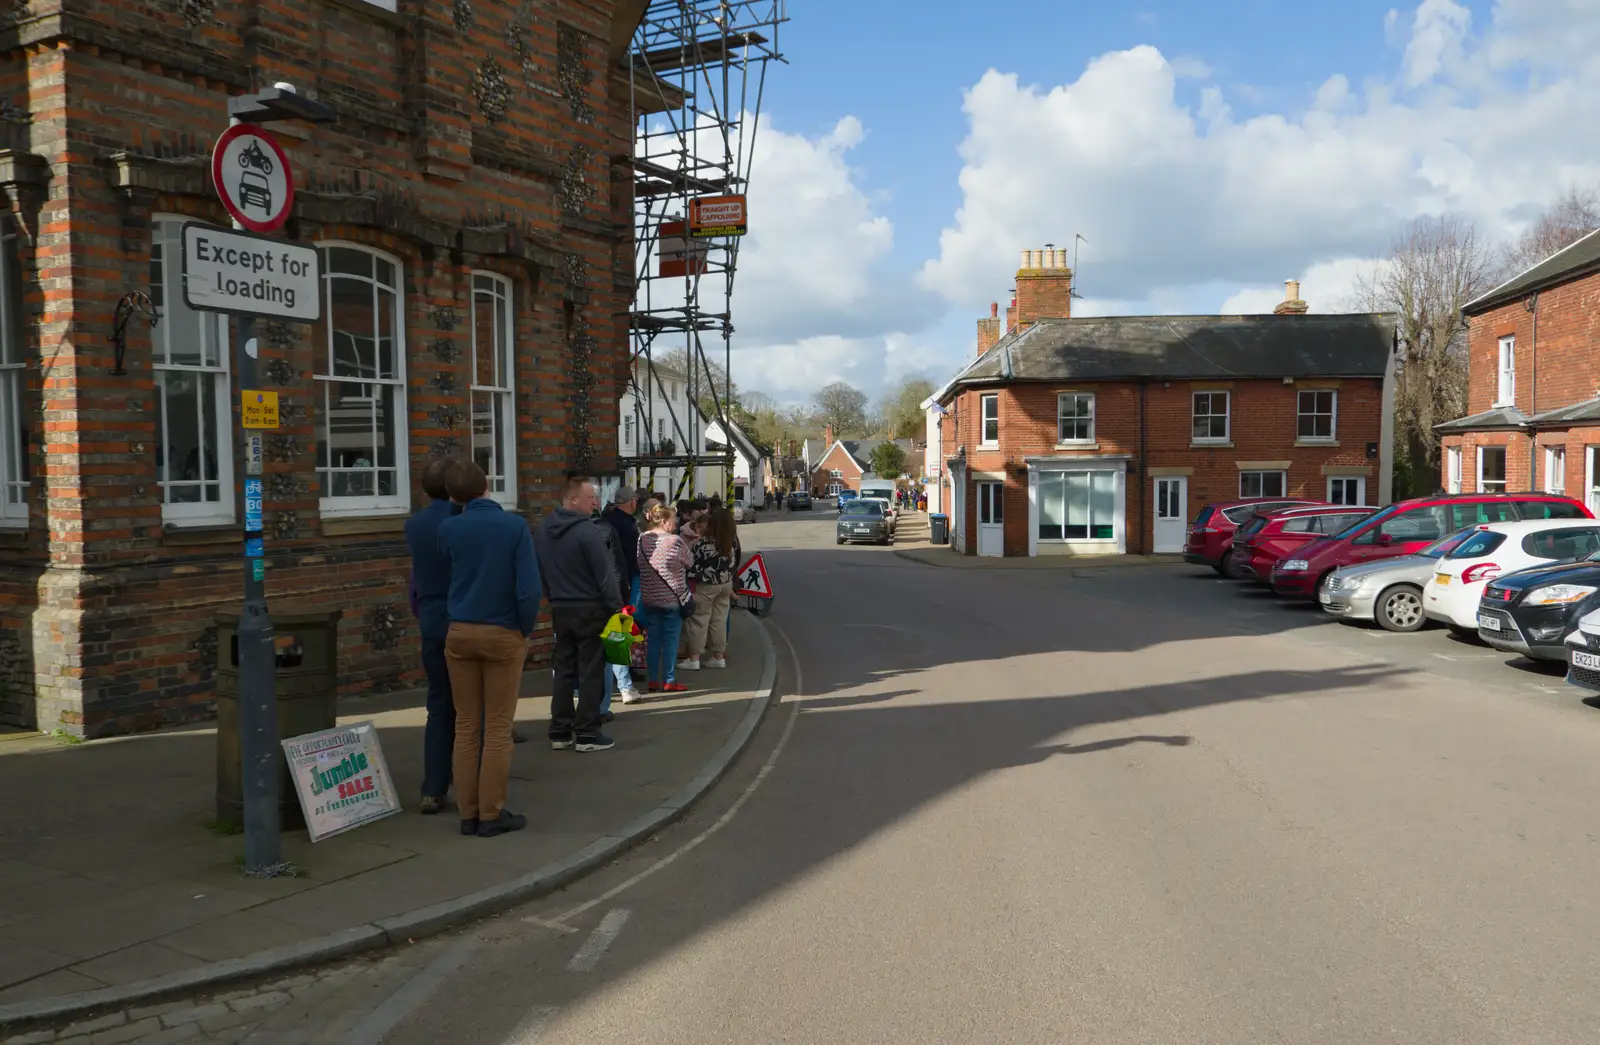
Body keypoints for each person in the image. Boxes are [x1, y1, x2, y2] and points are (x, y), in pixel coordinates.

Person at [438, 461, 539, 838]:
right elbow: (528, 588)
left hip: (459, 630)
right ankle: (491, 814)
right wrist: (523, 630)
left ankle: (468, 812)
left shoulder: (447, 528)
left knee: (466, 725)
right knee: (497, 726)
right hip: (502, 630)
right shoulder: (513, 527)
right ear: (487, 486)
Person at [534, 475, 622, 752]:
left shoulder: (544, 529)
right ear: (572, 499)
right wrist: (616, 608)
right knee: (590, 671)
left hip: (561, 607)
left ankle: (559, 731)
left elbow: (540, 569)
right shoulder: (588, 531)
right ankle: (587, 733)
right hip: (591, 608)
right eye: (589, 498)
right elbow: (605, 574)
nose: (595, 502)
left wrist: (552, 596)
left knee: (563, 669)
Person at [405, 456, 462, 816]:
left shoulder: (415, 525)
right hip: (462, 620)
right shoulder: (461, 521)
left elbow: (415, 580)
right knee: (474, 708)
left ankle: (433, 787)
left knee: (438, 706)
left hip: (430, 621)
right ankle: (476, 785)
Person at [638, 502, 691, 693]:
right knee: (670, 640)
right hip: (671, 598)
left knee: (653, 639)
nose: (676, 523)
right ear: (663, 520)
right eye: (673, 520)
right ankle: (669, 680)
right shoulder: (675, 541)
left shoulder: (642, 539)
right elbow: (689, 561)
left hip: (649, 597)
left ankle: (652, 680)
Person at [599, 487, 643, 705]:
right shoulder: (626, 526)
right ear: (631, 502)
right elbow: (623, 560)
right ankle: (625, 684)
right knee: (619, 634)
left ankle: (622, 682)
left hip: (597, 588)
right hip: (622, 584)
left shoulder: (606, 522)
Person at [682, 505, 736, 669]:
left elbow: (691, 563)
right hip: (725, 584)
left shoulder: (704, 543)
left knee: (699, 619)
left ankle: (694, 658)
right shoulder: (730, 543)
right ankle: (718, 657)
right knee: (719, 620)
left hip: (706, 585)